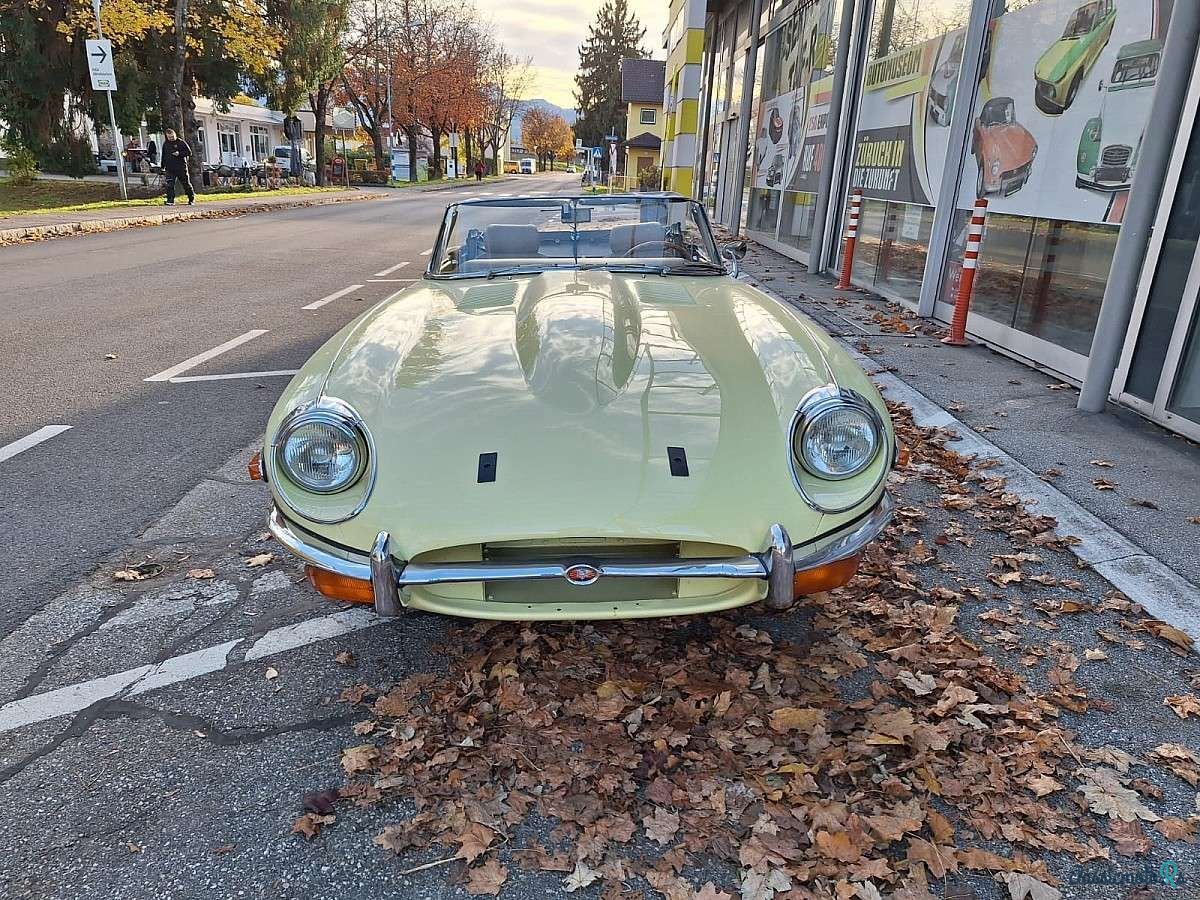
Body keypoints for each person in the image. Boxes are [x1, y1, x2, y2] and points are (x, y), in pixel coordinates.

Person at [161, 128, 195, 206]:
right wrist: (162, 166)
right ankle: (170, 200)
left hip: (181, 167)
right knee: (170, 184)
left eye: (172, 137)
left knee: (186, 184)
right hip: (170, 168)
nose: (171, 139)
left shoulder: (181, 142)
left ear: (175, 135)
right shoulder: (166, 144)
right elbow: (164, 156)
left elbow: (189, 152)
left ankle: (191, 198)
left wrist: (179, 153)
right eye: (169, 137)